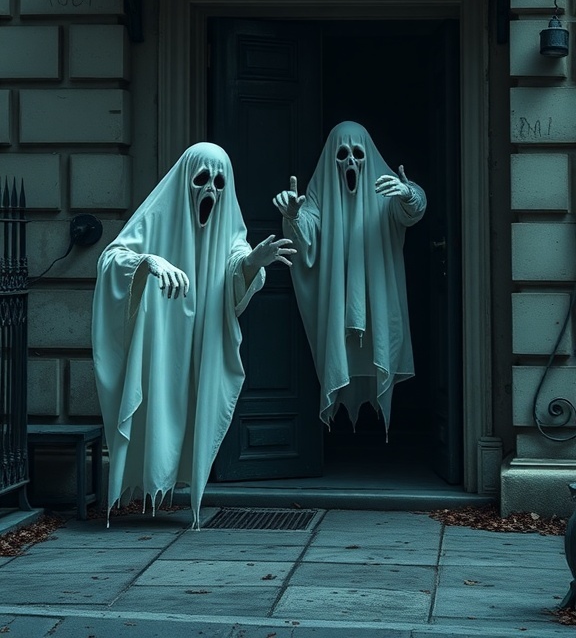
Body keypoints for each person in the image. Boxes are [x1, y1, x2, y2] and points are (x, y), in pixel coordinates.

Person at [92, 142, 295, 527]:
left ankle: (177, 489)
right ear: (186, 179)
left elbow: (238, 262)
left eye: (220, 183)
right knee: (156, 404)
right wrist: (146, 261)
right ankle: (144, 487)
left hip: (201, 341)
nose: (211, 192)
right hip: (157, 342)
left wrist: (253, 262)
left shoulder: (228, 226)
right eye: (202, 180)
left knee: (193, 407)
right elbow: (113, 258)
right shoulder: (157, 215)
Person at [273, 120, 426, 434]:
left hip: (377, 300)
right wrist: (293, 215)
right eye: (343, 154)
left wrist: (408, 193)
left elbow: (411, 210)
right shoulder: (319, 196)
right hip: (338, 299)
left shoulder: (385, 192)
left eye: (358, 153)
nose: (351, 162)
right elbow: (305, 233)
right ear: (333, 159)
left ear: (367, 156)